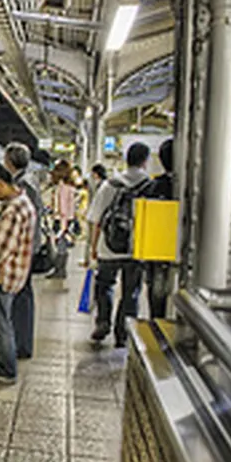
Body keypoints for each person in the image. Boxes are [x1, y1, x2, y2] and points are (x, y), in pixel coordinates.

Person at [86, 143, 152, 347]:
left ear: (126, 159)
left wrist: (93, 248)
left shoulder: (110, 185)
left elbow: (96, 219)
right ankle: (123, 332)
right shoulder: (150, 186)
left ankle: (103, 322)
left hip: (108, 248)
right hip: (136, 250)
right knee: (131, 293)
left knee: (104, 285)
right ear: (145, 161)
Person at [0, 163, 36, 384]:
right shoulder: (24, 202)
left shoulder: (13, 210)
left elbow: (1, 249)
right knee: (0, 319)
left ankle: (5, 370)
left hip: (2, 273)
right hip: (14, 273)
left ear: (1, 184)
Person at [2, 142, 42, 360]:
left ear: (9, 162)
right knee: (21, 296)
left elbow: (28, 221)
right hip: (27, 248)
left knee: (20, 297)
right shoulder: (28, 181)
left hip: (24, 249)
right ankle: (19, 343)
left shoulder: (24, 185)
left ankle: (21, 345)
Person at [144, 139, 174, 318]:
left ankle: (156, 324)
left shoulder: (154, 186)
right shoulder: (193, 186)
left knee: (157, 293)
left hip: (157, 251)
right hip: (180, 252)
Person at [48, 160, 76, 279]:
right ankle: (60, 270)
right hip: (68, 220)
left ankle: (59, 270)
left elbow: (63, 208)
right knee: (62, 245)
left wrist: (62, 227)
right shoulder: (69, 186)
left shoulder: (62, 188)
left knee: (60, 245)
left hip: (62, 220)